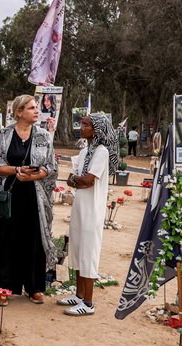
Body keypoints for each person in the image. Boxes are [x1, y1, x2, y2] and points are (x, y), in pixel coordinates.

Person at [0, 95, 58, 305]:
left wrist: (34, 175)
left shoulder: (44, 136)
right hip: (9, 195)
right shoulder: (4, 134)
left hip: (36, 198)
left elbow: (52, 166)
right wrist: (17, 170)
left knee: (34, 239)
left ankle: (33, 286)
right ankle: (3, 287)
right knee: (6, 241)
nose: (37, 111)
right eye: (31, 108)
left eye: (37, 107)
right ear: (19, 112)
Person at [58, 114, 118, 315]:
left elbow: (89, 179)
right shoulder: (85, 151)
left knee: (89, 252)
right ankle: (79, 295)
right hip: (79, 206)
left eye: (85, 125)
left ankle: (89, 303)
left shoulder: (101, 152)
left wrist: (78, 179)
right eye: (81, 124)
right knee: (76, 249)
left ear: (97, 130)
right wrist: (78, 179)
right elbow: (73, 180)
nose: (80, 127)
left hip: (92, 209)